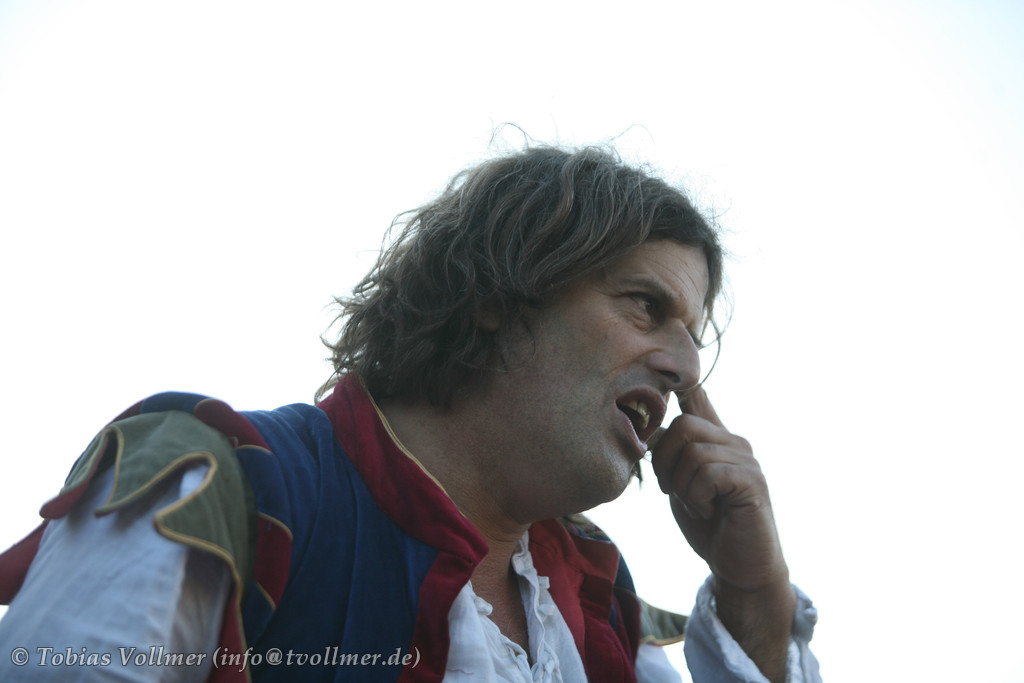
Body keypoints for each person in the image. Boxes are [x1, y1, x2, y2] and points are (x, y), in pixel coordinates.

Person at [0, 145, 820, 682]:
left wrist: (754, 586)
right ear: (503, 294)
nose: (684, 368)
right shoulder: (223, 486)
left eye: (694, 336)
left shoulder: (601, 607)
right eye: (646, 305)